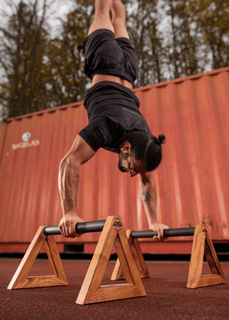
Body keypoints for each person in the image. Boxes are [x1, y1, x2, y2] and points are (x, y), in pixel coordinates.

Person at [58, 0, 169, 241]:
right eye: (133, 168)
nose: (132, 174)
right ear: (127, 148)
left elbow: (147, 181)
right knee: (101, 10)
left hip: (129, 71)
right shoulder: (104, 128)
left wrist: (154, 221)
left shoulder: (146, 140)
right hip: (104, 60)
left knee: (119, 18)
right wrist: (70, 213)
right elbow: (69, 161)